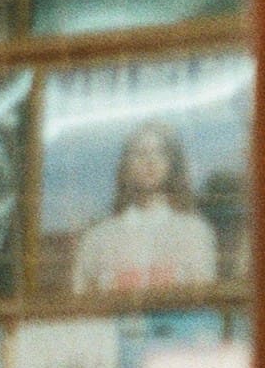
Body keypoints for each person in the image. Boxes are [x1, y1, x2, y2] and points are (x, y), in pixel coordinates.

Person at [70, 121, 221, 294]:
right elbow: (82, 306)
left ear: (172, 164)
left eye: (160, 153)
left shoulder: (194, 232)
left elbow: (204, 304)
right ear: (126, 165)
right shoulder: (98, 238)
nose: (150, 161)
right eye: (140, 153)